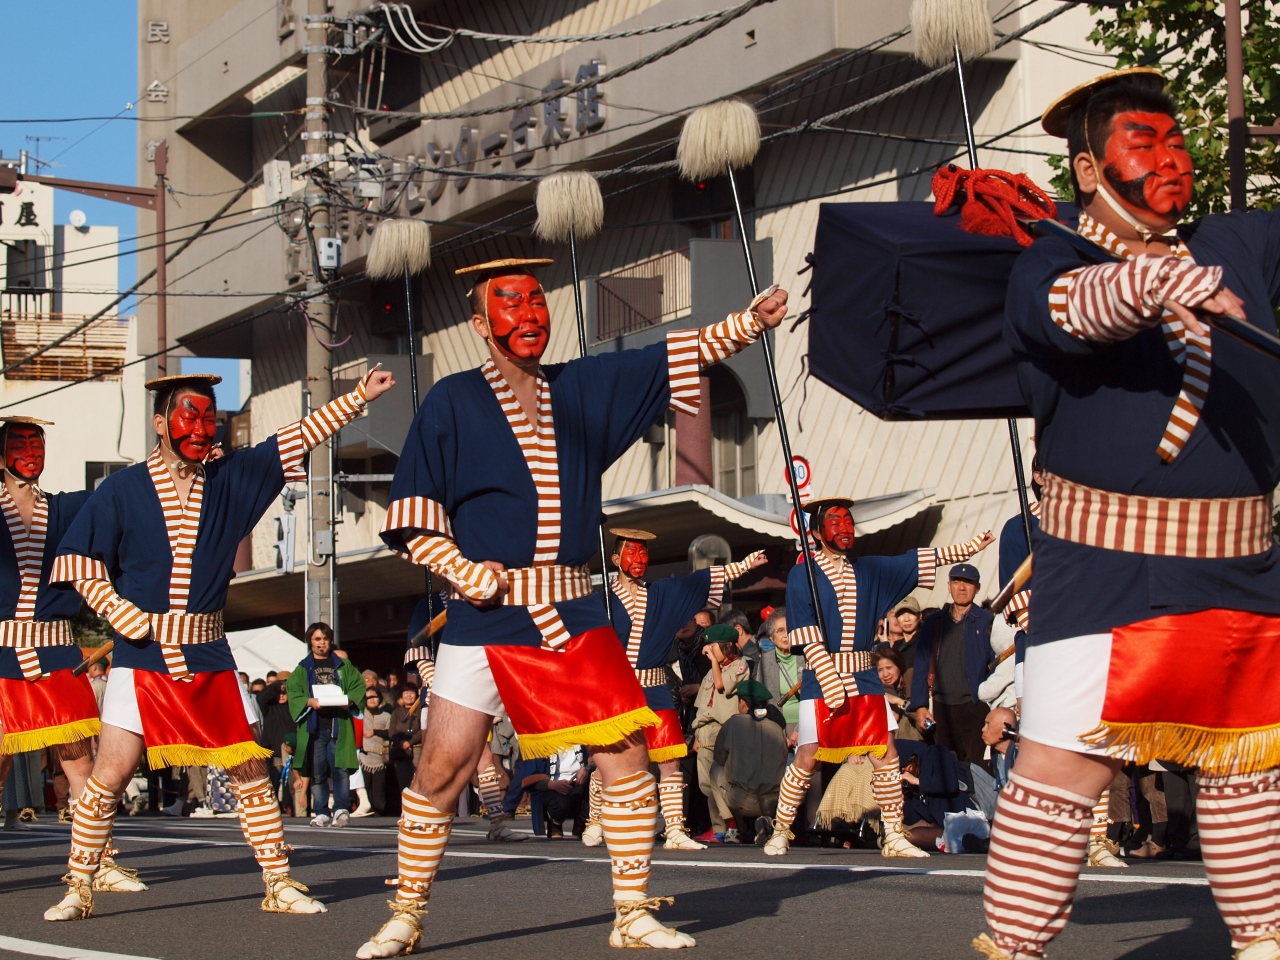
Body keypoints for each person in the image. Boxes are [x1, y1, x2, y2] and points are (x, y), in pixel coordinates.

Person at [361, 254, 786, 955]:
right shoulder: (452, 401)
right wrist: (460, 568)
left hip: (570, 609)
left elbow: (669, 355)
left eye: (536, 302)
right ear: (478, 322)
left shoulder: (581, 384)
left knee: (626, 757)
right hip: (485, 613)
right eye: (510, 303)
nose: (529, 315)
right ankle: (407, 914)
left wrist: (747, 322)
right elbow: (413, 516)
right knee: (444, 767)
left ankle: (631, 912)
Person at [974, 68, 1280, 960]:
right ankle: (1017, 951)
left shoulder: (1237, 243)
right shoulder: (1053, 257)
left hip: (1246, 564)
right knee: (1063, 776)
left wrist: (1204, 275)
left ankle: (1263, 945)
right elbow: (1073, 313)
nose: (1171, 159)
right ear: (1088, 170)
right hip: (1110, 566)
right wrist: (1160, 286)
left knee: (1249, 771)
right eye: (1144, 144)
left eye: (1177, 141)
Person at [45, 366, 394, 920]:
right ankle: (79, 883)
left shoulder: (230, 478)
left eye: (211, 418)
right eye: (189, 416)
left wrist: (356, 398)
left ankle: (278, 883)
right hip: (142, 655)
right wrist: (119, 611)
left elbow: (293, 439)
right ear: (161, 423)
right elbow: (78, 561)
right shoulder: (123, 488)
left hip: (208, 652)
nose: (202, 428)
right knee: (110, 772)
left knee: (249, 772)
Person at [764, 494, 993, 858]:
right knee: (808, 754)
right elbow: (804, 628)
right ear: (817, 531)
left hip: (864, 674)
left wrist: (967, 547)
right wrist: (827, 674)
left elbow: (915, 560)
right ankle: (780, 829)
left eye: (849, 522)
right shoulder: (802, 571)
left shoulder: (866, 569)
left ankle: (894, 834)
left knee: (885, 753)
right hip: (823, 675)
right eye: (836, 522)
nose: (845, 528)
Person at [0, 416, 143, 894]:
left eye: (36, 442)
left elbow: (117, 496)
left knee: (81, 760)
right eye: (18, 442)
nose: (30, 451)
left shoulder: (65, 509)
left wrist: (171, 459)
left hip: (56, 651)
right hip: (1, 653)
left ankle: (98, 859)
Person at [581, 528, 763, 851]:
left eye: (643, 553)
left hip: (655, 687)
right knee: (609, 760)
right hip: (620, 690)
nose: (639, 559)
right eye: (631, 553)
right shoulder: (602, 601)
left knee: (670, 760)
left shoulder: (662, 592)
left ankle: (676, 828)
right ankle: (596, 819)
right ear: (614, 559)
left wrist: (744, 566)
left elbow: (701, 580)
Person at [908, 565, 995, 767]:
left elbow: (996, 664)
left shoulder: (987, 622)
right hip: (941, 707)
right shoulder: (933, 622)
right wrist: (920, 706)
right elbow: (921, 664)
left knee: (978, 768)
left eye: (968, 583)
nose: (962, 587)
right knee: (946, 769)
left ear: (978, 587)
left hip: (975, 706)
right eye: (956, 582)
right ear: (948, 586)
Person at [287, 622, 364, 828]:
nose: (322, 643)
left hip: (339, 723)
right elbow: (293, 692)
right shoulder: (303, 668)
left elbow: (359, 685)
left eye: (325, 638)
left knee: (340, 770)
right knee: (317, 770)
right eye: (317, 639)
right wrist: (307, 701)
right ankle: (320, 811)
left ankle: (341, 809)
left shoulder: (343, 665)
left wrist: (351, 700)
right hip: (315, 726)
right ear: (310, 641)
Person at [691, 624, 753, 841]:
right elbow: (702, 705)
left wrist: (714, 662)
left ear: (726, 646)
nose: (708, 650)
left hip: (724, 729)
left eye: (712, 646)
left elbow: (721, 686)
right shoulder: (711, 670)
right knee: (705, 784)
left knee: (721, 780)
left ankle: (732, 825)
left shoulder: (739, 665)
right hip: (705, 729)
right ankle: (720, 828)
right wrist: (698, 734)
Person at [710, 679, 787, 845]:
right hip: (773, 801)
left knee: (714, 769)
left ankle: (733, 828)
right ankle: (766, 819)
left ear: (743, 703)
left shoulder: (733, 723)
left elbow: (719, 758)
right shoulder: (777, 729)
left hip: (741, 800)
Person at [757, 607, 804, 745]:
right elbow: (761, 699)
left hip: (806, 725)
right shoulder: (766, 661)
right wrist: (775, 732)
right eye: (780, 631)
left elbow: (815, 698)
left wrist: (800, 729)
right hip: (776, 726)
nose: (786, 635)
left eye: (788, 630)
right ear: (771, 638)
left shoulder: (806, 657)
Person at [872, 646, 919, 741]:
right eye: (880, 670)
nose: (885, 674)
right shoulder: (879, 690)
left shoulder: (913, 678)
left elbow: (923, 719)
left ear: (899, 666)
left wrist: (899, 701)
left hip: (918, 742)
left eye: (889, 668)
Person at [717, 607, 759, 678]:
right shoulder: (747, 650)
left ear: (738, 630)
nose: (724, 640)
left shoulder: (753, 655)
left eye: (725, 634)